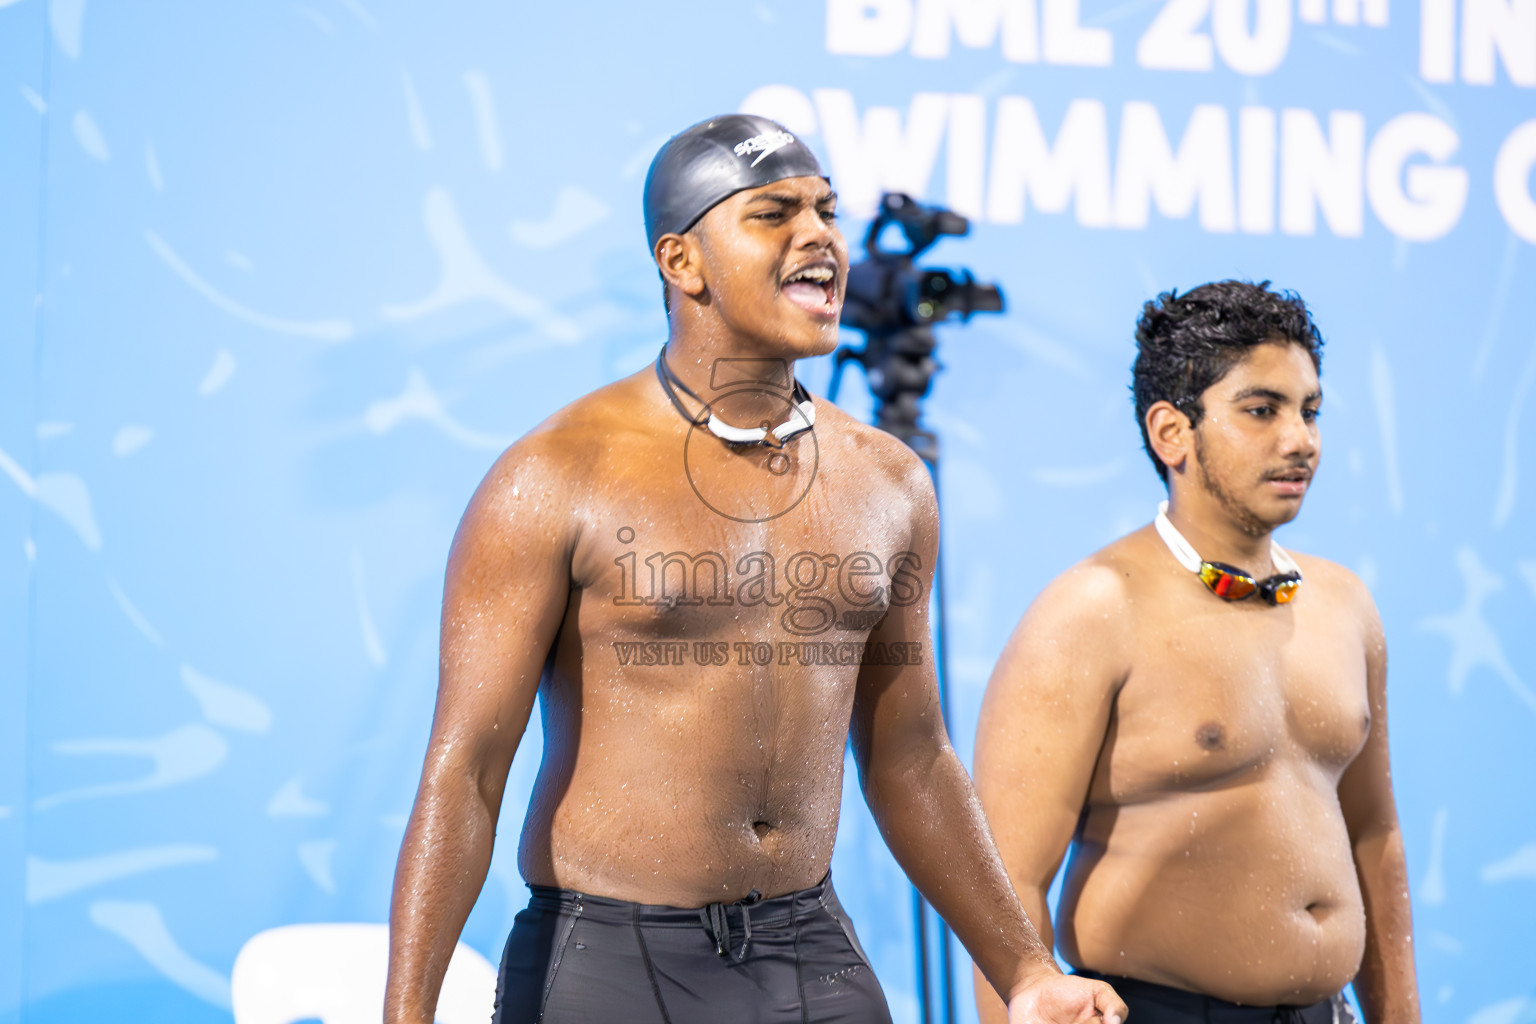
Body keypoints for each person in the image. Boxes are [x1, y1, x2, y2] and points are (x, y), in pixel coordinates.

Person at [383, 114, 1126, 1024]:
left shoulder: (891, 484)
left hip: (808, 948)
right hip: (613, 960)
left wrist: (1026, 971)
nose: (819, 235)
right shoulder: (554, 476)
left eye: (826, 211)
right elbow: (464, 775)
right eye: (774, 213)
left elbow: (911, 756)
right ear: (682, 263)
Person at [972, 281, 1421, 1024]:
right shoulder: (1091, 611)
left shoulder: (1345, 605)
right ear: (1171, 432)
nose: (1300, 439)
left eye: (1310, 410)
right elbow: (1003, 882)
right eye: (1261, 410)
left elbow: (1376, 835)